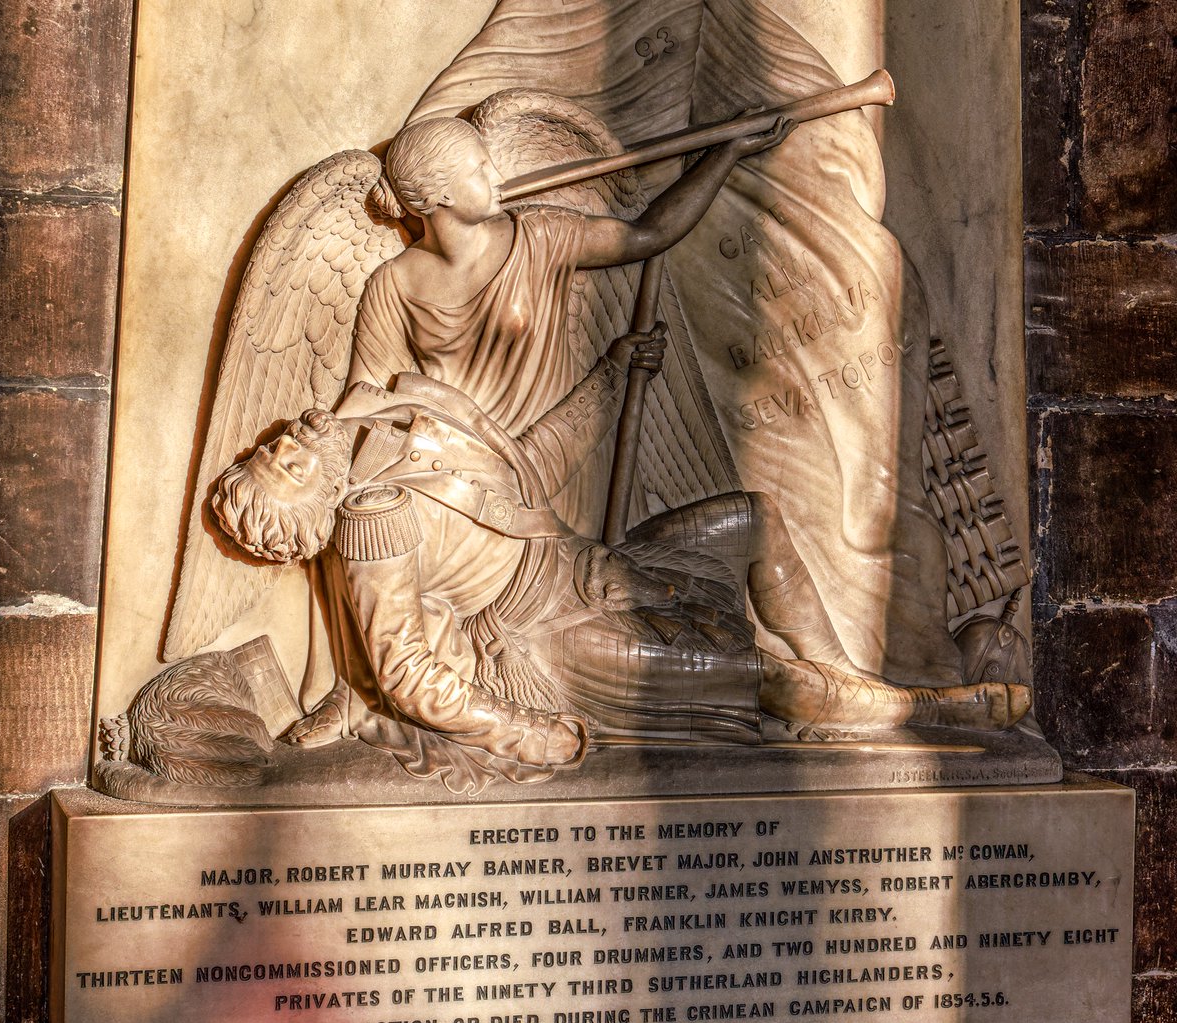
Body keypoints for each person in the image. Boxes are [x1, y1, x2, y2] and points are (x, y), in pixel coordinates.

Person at [214, 337, 1030, 788]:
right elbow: (406, 675)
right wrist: (524, 732)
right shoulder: (374, 522)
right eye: (286, 468)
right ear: (317, 503)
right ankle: (934, 708)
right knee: (755, 674)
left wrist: (611, 377)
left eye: (267, 451)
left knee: (755, 518)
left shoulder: (398, 410)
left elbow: (530, 467)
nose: (284, 445)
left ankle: (848, 681)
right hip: (552, 643)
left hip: (593, 567)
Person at [342, 111, 797, 537]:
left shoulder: (539, 237)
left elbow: (647, 235)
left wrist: (725, 155)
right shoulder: (393, 285)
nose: (497, 177)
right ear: (441, 193)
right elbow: (366, 400)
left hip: (562, 463)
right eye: (480, 170)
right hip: (469, 486)